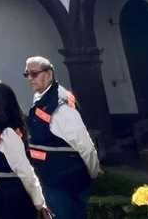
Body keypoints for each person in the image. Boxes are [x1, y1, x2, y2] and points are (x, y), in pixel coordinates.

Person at [22, 56, 99, 219]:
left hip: (66, 184)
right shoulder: (42, 97)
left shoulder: (61, 106)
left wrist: (93, 172)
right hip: (52, 180)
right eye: (26, 74)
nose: (29, 79)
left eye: (34, 74)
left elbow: (85, 146)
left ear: (49, 74)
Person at [0, 80, 51, 219]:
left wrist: (40, 204)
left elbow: (25, 171)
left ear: (1, 104)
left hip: (13, 199)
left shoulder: (8, 133)